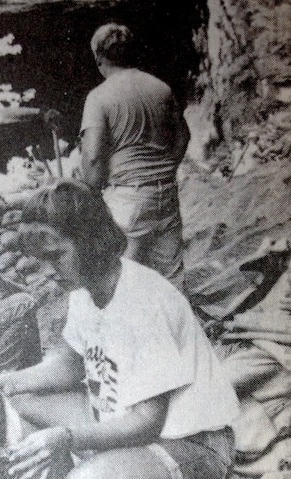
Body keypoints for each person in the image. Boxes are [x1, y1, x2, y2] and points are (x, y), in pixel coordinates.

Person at [0, 180, 238, 479]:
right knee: (19, 398)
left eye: (57, 256)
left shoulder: (143, 302)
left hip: (194, 448)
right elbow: (69, 364)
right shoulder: (86, 290)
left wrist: (68, 437)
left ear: (90, 242)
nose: (48, 271)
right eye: (42, 261)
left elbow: (147, 421)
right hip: (133, 427)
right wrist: (4, 382)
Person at [80, 23, 190, 292]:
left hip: (128, 197)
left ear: (98, 57)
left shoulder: (99, 98)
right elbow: (183, 136)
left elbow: (93, 158)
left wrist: (91, 192)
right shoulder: (160, 88)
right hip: (166, 192)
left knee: (119, 279)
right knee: (171, 278)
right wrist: (163, 169)